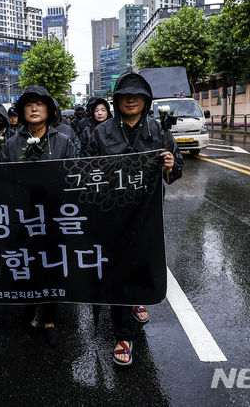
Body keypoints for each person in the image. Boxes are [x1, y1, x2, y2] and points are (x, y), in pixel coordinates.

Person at [87, 72, 182, 367]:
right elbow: (85, 170)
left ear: (146, 101)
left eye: (137, 95)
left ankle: (138, 297)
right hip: (112, 215)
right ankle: (123, 335)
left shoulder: (159, 130)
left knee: (141, 263)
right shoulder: (101, 133)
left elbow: (175, 171)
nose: (131, 100)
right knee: (117, 272)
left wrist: (169, 164)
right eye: (125, 96)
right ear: (117, 101)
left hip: (146, 215)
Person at [0, 86, 77, 347]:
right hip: (22, 219)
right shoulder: (11, 144)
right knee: (27, 264)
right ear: (21, 111)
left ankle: (50, 319)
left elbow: (74, 178)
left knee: (52, 265)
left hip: (55, 218)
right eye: (29, 105)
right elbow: (1, 180)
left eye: (39, 105)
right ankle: (29, 306)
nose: (34, 109)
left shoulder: (63, 142)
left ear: (49, 111)